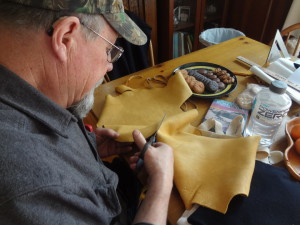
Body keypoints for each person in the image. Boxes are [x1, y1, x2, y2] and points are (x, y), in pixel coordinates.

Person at [0, 1, 174, 225]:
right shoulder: (33, 187)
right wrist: (161, 186)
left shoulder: (32, 91)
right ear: (65, 38)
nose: (109, 66)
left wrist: (84, 147)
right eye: (109, 50)